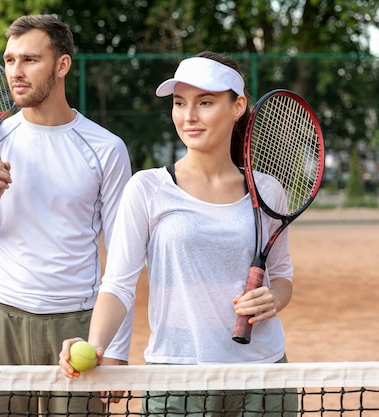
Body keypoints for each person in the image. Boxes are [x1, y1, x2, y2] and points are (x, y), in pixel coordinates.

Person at [58, 52, 298, 416]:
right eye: (179, 103)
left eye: (205, 102)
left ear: (237, 106)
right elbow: (118, 284)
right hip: (177, 375)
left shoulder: (268, 191)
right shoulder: (148, 188)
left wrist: (273, 300)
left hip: (263, 376)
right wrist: (96, 346)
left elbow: (281, 277)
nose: (189, 116)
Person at [0, 14, 133, 416]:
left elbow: (123, 257)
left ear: (61, 65)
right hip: (0, 321)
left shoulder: (106, 148)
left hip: (78, 328)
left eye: (30, 60)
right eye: (10, 60)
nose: (15, 71)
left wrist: (115, 348)